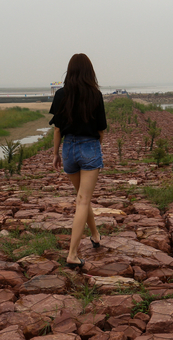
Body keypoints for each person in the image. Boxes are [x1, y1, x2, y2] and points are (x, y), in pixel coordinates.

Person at [49, 53, 107, 269]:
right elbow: (101, 129)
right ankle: (72, 255)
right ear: (89, 71)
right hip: (89, 147)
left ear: (70, 70)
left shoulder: (61, 94)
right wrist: (96, 148)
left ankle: (95, 235)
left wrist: (56, 154)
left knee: (83, 198)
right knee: (82, 200)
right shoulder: (95, 94)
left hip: (69, 149)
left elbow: (57, 129)